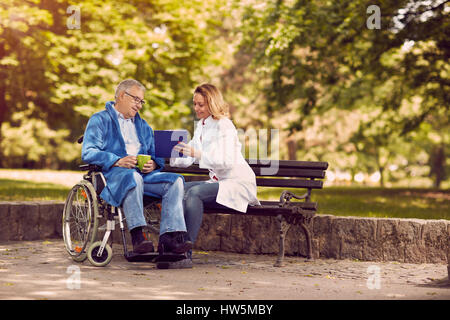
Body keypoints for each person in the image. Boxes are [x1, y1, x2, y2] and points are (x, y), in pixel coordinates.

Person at [81, 79, 192, 255]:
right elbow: (88, 152)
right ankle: (138, 236)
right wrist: (118, 160)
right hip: (115, 178)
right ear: (122, 96)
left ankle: (170, 238)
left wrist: (153, 164)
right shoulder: (100, 120)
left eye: (142, 101)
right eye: (136, 100)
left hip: (143, 177)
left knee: (175, 181)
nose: (140, 105)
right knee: (133, 177)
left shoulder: (144, 126)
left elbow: (156, 156)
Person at [171, 83, 260, 258]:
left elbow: (226, 161)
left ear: (211, 103)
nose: (196, 108)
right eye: (195, 103)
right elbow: (189, 157)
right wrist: (174, 154)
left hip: (237, 183)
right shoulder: (202, 125)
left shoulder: (224, 125)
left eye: (201, 104)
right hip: (219, 183)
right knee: (178, 188)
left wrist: (197, 153)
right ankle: (173, 243)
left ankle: (184, 251)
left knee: (195, 192)